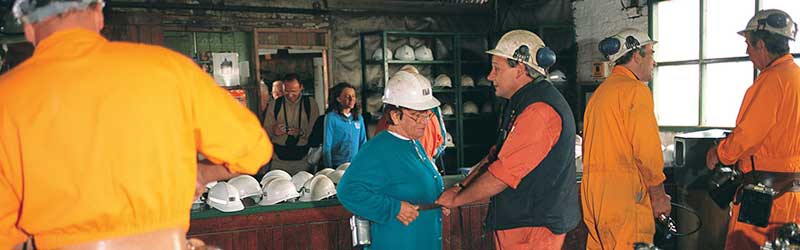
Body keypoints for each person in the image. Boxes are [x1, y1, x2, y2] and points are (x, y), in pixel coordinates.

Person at [0, 1, 272, 249]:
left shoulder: (7, 96)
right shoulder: (169, 69)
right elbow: (253, 150)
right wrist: (201, 174)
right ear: (97, 14)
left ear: (28, 29)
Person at [436, 30, 579, 249]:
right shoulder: (521, 102)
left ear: (520, 69)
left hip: (533, 228)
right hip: (523, 223)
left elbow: (502, 174)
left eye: (497, 68)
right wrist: (461, 187)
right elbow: (496, 155)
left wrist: (457, 200)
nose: (490, 76)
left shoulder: (538, 112)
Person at [706, 9, 800, 250]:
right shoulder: (796, 78)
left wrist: (720, 152)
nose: (747, 52)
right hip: (794, 195)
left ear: (761, 44)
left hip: (764, 197)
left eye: (749, 44)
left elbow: (748, 136)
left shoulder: (771, 80)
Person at [580, 28, 671, 249]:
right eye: (650, 54)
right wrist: (658, 195)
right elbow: (646, 151)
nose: (654, 62)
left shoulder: (601, 94)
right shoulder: (635, 91)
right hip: (624, 197)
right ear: (637, 54)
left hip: (594, 196)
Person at [337, 70, 447, 249]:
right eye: (417, 115)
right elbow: (348, 191)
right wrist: (394, 208)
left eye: (427, 114)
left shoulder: (414, 144)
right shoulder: (379, 149)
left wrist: (436, 202)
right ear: (395, 115)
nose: (424, 121)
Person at [374, 65, 448, 160]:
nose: (424, 120)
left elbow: (441, 142)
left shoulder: (432, 111)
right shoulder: (392, 114)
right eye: (416, 115)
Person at [263, 73, 319, 174]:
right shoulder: (274, 105)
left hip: (303, 160)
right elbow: (265, 133)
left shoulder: (310, 104)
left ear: (301, 87)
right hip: (279, 160)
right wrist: (274, 131)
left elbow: (315, 133)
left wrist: (301, 133)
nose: (290, 95)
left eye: (294, 91)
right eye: (286, 91)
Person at [320, 82, 367, 168]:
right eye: (347, 96)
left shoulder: (359, 118)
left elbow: (363, 143)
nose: (351, 99)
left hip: (354, 165)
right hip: (337, 165)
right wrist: (329, 168)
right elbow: (327, 145)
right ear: (338, 98)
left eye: (353, 96)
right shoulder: (331, 118)